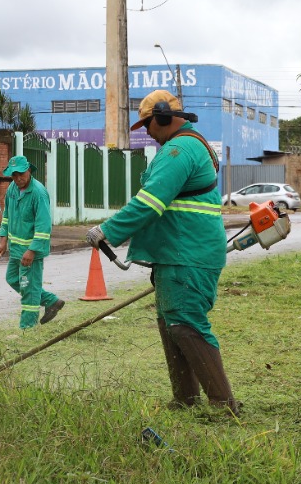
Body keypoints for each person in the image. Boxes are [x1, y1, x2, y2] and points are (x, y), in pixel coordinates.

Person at [84, 89, 237, 414]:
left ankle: (224, 405)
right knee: (171, 323)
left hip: (189, 253)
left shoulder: (180, 149)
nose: (148, 134)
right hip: (177, 252)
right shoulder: (186, 147)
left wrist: (106, 231)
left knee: (186, 323)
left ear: (164, 117)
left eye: (148, 125)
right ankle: (185, 399)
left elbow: (150, 202)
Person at [0, 156, 64, 329]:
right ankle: (50, 301)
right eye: (14, 175)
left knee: (28, 288)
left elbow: (44, 226)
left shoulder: (38, 193)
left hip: (31, 252)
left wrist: (32, 251)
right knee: (13, 279)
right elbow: (7, 216)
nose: (18, 178)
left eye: (21, 174)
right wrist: (3, 241)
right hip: (16, 250)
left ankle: (27, 328)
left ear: (29, 170)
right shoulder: (12, 189)